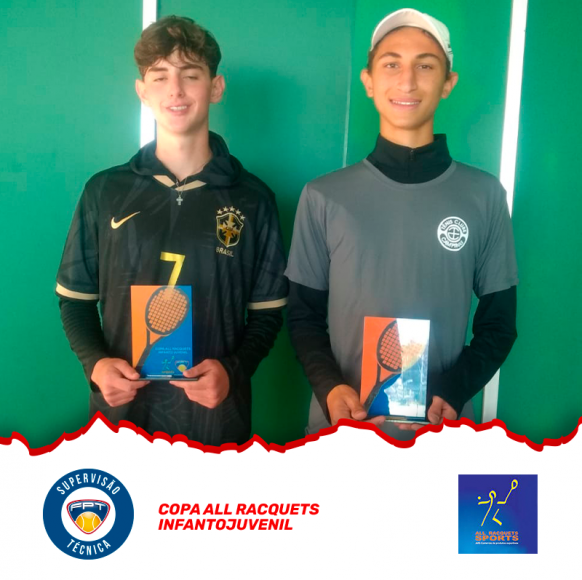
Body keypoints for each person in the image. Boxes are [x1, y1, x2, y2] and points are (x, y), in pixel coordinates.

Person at [286, 8, 518, 440]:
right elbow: (303, 316)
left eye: (425, 66)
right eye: (391, 64)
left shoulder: (484, 195)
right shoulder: (323, 196)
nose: (407, 81)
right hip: (341, 431)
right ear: (369, 81)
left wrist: (454, 388)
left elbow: (499, 324)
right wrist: (330, 387)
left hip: (442, 435)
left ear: (448, 82)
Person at [56, 16, 288, 445]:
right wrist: (96, 364)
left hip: (217, 427)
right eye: (160, 76)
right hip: (122, 425)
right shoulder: (104, 191)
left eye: (190, 75)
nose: (175, 90)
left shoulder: (254, 199)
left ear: (215, 87)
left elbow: (267, 315)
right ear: (142, 91)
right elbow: (75, 301)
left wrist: (234, 371)